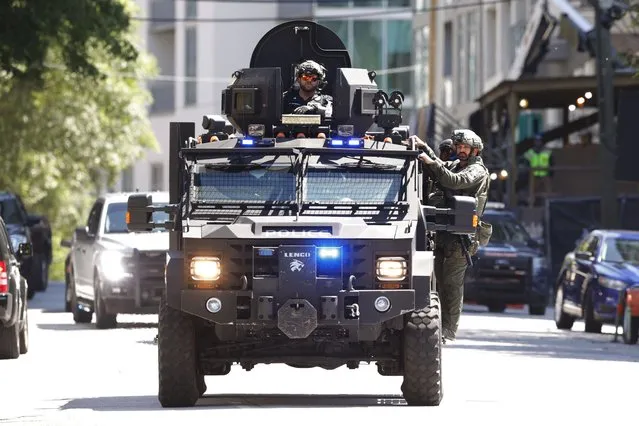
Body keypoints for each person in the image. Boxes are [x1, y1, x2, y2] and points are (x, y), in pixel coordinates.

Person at [409, 129, 492, 343]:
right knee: (436, 283)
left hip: (462, 237)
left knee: (452, 285)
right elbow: (441, 166)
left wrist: (430, 160)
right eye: (459, 146)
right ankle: (439, 326)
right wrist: (424, 147)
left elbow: (454, 181)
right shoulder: (456, 164)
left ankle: (448, 331)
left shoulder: (477, 171)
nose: (461, 150)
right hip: (444, 232)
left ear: (475, 149)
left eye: (465, 147)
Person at [522, 134, 554, 206]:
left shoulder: (547, 152)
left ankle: (550, 205)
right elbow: (526, 164)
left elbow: (552, 163)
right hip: (534, 176)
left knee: (549, 193)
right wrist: (527, 174)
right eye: (536, 141)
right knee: (531, 192)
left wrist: (551, 174)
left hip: (545, 175)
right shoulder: (530, 152)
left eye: (539, 141)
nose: (538, 142)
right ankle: (531, 206)